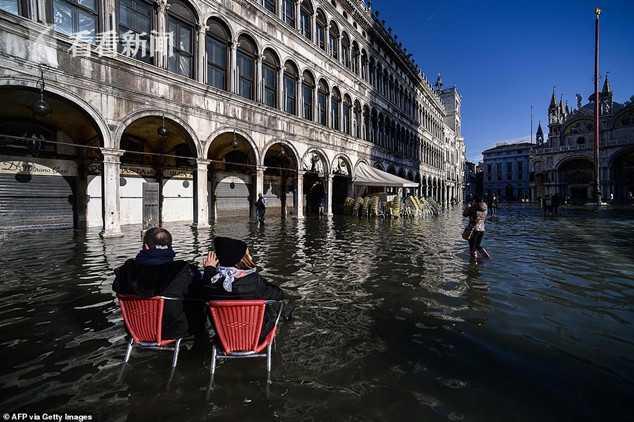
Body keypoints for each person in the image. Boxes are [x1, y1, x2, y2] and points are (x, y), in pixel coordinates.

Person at [112, 227, 206, 340]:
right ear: (170, 246)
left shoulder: (126, 270)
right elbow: (201, 292)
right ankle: (201, 351)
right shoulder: (183, 269)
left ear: (146, 246)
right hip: (173, 330)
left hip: (136, 329)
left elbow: (116, 287)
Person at [202, 237, 283, 341]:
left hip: (224, 339)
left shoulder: (210, 282)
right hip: (256, 337)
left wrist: (209, 269)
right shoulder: (254, 282)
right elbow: (278, 294)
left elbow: (205, 288)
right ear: (240, 260)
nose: (250, 257)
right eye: (247, 255)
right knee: (273, 306)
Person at [463, 196, 488, 260]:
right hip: (482, 229)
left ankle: (473, 263)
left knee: (472, 248)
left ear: (475, 201)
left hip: (473, 230)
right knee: (477, 246)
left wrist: (467, 207)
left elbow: (465, 214)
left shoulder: (473, 207)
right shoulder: (485, 208)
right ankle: (487, 257)